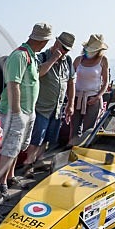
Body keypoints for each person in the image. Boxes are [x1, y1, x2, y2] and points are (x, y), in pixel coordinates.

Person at [0, 22, 52, 197]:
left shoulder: (31, 56)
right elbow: (14, 85)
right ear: (43, 41)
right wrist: (16, 112)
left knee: (18, 146)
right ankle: (1, 182)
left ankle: (10, 176)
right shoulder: (20, 56)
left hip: (27, 111)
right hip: (17, 112)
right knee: (10, 147)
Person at [24, 31, 76, 176]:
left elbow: (71, 83)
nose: (64, 52)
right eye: (63, 47)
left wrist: (70, 104)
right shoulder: (42, 57)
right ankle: (28, 164)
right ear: (56, 42)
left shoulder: (68, 61)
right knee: (36, 138)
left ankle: (39, 161)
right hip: (42, 107)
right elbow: (38, 73)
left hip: (58, 107)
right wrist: (54, 59)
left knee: (48, 138)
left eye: (67, 50)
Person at [70, 34, 110, 137]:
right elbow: (70, 79)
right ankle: (72, 147)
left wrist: (98, 96)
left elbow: (105, 82)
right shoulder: (78, 60)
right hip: (77, 96)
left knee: (88, 130)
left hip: (93, 97)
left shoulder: (103, 60)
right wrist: (70, 97)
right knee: (74, 128)